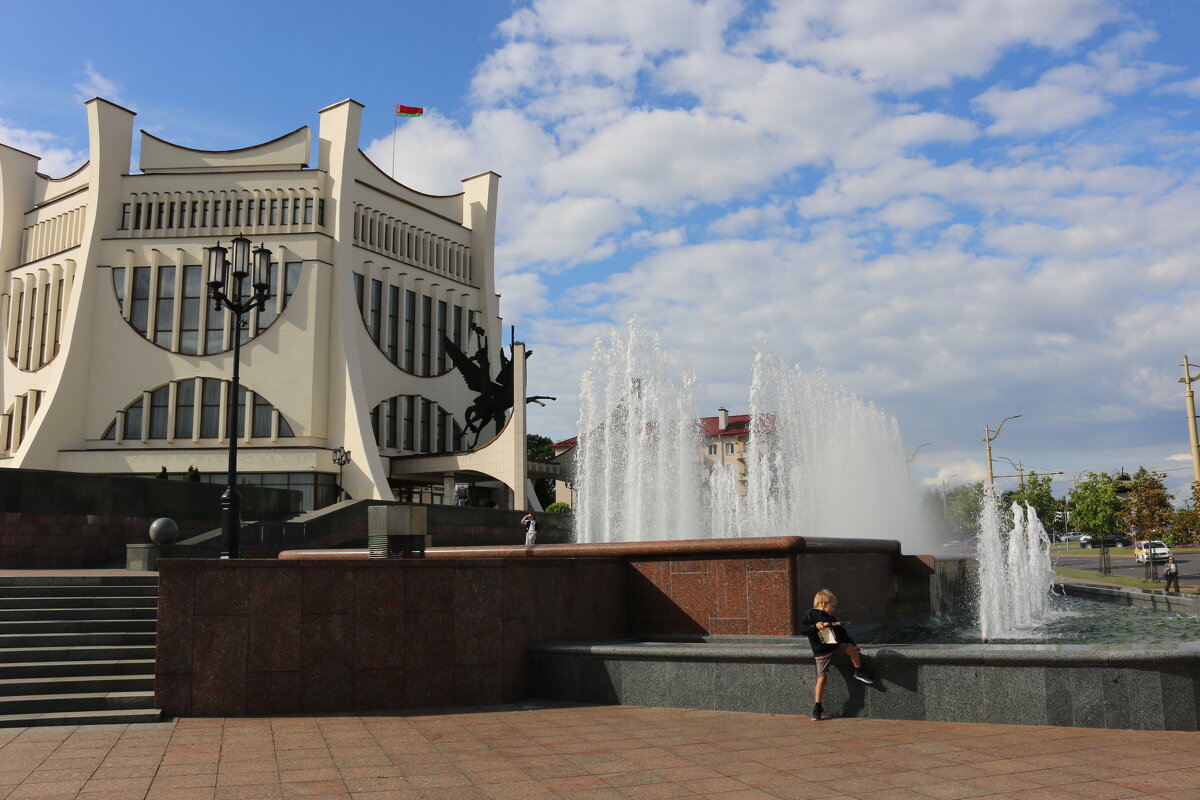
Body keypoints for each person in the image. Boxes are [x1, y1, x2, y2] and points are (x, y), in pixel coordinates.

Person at [799, 589, 874, 721]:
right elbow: (803, 629)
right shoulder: (811, 616)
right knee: (822, 678)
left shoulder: (831, 619)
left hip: (835, 647)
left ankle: (859, 671)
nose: (834, 609)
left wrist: (852, 644)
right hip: (822, 652)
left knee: (851, 650)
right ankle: (817, 706)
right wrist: (815, 627)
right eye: (832, 606)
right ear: (823, 603)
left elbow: (842, 633)